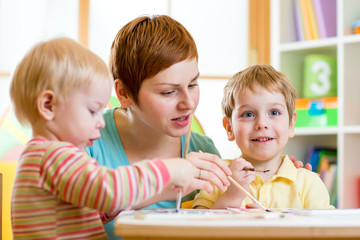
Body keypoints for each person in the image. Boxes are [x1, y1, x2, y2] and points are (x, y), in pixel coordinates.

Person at [85, 15, 312, 239]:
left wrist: (275, 172)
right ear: (124, 94)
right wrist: (167, 183)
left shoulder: (202, 149)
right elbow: (63, 221)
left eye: (193, 84)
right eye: (168, 92)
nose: (189, 103)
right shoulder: (87, 138)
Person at [9, 37, 205, 239]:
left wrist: (162, 193)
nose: (101, 122)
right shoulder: (54, 156)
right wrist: (168, 169)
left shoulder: (38, 156)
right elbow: (108, 189)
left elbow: (87, 209)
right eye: (93, 110)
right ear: (49, 106)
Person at [193, 64, 334, 210]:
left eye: (274, 112)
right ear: (229, 128)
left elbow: (327, 230)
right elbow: (199, 229)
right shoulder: (219, 176)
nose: (261, 124)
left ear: (291, 124)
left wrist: (273, 221)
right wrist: (233, 195)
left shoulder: (309, 183)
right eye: (248, 114)